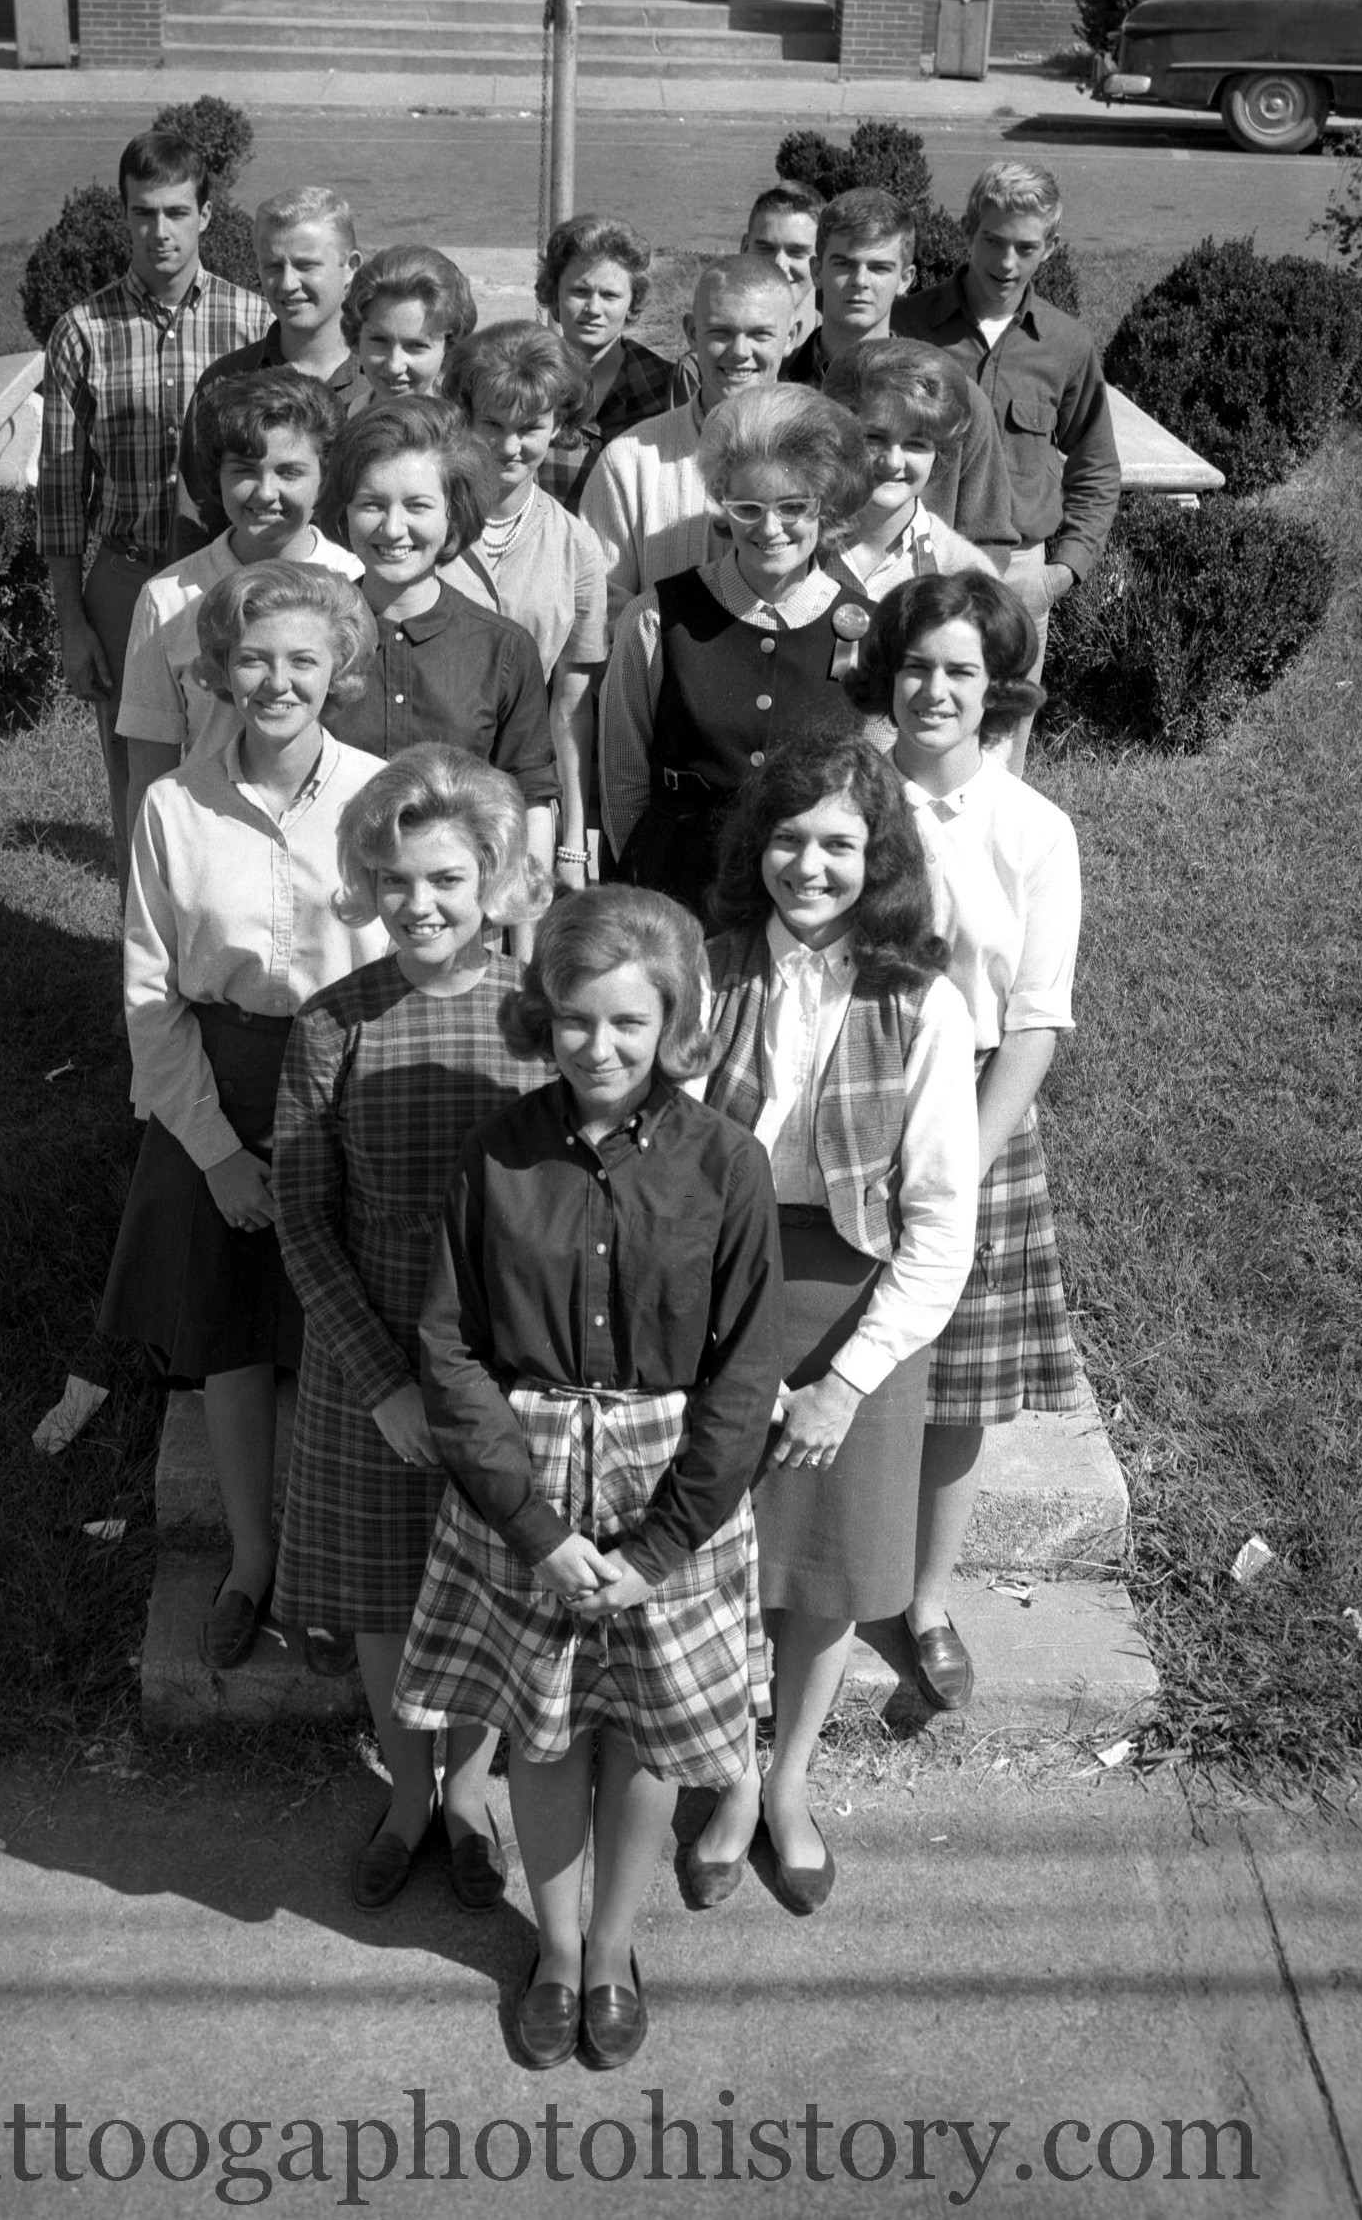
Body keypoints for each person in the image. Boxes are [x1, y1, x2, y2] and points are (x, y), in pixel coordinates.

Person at [396, 886, 784, 2069]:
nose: (600, 1048)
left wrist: (659, 1548)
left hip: (673, 1497)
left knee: (650, 1741)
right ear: (542, 1017)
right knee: (546, 1735)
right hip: (529, 1501)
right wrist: (533, 1525)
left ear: (673, 1023)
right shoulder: (496, 1154)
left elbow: (743, 1367)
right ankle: (556, 1950)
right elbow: (448, 1348)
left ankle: (614, 1946)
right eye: (575, 1021)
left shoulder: (727, 1166)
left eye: (628, 1023)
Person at [684, 732, 979, 1910]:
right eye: (787, 838)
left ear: (880, 857)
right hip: (708, 1296)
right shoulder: (700, 973)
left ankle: (788, 1778)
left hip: (853, 1305)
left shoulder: (921, 1001)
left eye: (840, 844)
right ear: (755, 844)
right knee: (710, 1562)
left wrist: (845, 1380)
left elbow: (940, 1225)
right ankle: (724, 1783)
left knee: (820, 1571)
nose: (809, 865)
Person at [272, 746, 551, 1906]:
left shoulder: (538, 1023)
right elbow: (298, 1215)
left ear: (491, 877)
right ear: (365, 886)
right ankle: (405, 1789)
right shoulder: (332, 1025)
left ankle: (475, 1790)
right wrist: (382, 1381)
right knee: (386, 1596)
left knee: (489, 1587)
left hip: (503, 1355)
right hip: (368, 1360)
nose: (419, 903)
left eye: (444, 878)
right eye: (394, 880)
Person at [105, 564, 389, 1670]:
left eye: (303, 660)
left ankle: (327, 1566)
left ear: (340, 672)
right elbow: (148, 991)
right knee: (230, 1340)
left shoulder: (383, 794)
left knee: (337, 1335)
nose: (278, 681)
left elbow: (421, 956)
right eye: (255, 658)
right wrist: (214, 1154)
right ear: (219, 669)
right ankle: (252, 1560)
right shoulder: (174, 806)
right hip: (218, 1086)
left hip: (350, 1093)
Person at [845, 573, 1084, 1716]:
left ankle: (924, 1599)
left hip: (981, 1123)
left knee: (954, 1394)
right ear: (884, 674)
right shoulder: (843, 800)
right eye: (916, 666)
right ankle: (829, 1579)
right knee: (840, 1357)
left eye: (960, 671)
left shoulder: (1032, 830)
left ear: (997, 692)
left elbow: (1035, 1020)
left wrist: (952, 1168)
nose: (933, 690)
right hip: (844, 1104)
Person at [37, 130, 274, 896]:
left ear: (206, 213)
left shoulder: (251, 323)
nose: (159, 233)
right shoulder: (82, 331)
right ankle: (146, 973)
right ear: (124, 216)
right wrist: (72, 621)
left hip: (230, 578)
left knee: (239, 764)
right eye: (143, 213)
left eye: (177, 211)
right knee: (137, 785)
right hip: (128, 578)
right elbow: (61, 490)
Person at [600, 383, 868, 913]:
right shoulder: (656, 618)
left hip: (809, 900)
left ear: (825, 506)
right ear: (722, 503)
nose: (770, 529)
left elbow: (879, 784)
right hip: (675, 890)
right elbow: (624, 776)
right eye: (748, 507)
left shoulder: (864, 628)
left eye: (793, 506)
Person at [890, 160, 1121, 771]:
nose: (1007, 263)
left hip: (1017, 574)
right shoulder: (907, 325)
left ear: (1051, 248)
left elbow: (1096, 467)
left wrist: (1061, 573)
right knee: (900, 737)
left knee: (997, 756)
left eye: (1026, 247)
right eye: (993, 241)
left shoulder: (1065, 345)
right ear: (968, 231)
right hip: (913, 561)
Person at [319, 393, 560, 884]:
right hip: (329, 906)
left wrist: (527, 943)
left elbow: (530, 798)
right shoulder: (313, 635)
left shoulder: (503, 648)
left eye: (417, 505)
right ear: (344, 513)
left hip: (459, 918)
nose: (393, 528)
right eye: (371, 504)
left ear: (454, 512)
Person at [118, 370, 364, 825]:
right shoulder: (167, 599)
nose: (266, 493)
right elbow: (148, 771)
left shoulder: (356, 583)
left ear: (324, 478)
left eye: (289, 472)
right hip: (210, 834)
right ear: (218, 475)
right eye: (245, 472)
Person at [440, 322, 609, 890]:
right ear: (464, 417)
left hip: (524, 805)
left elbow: (571, 707)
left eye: (530, 428)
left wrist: (574, 843)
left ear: (559, 425)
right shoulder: (420, 525)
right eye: (492, 424)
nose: (511, 448)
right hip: (426, 793)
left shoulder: (577, 546)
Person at [580, 253, 798, 627]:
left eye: (760, 334)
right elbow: (600, 607)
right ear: (691, 333)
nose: (740, 352)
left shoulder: (823, 454)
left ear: (791, 336)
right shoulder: (629, 462)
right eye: (720, 332)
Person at [177, 188, 365, 547]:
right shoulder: (225, 382)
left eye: (306, 265)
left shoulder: (388, 380)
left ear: (350, 268)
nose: (287, 283)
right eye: (273, 266)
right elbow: (196, 525)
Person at [534, 215, 692, 513]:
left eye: (609, 295)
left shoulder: (664, 384)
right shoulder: (530, 381)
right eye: (580, 291)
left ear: (632, 303)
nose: (593, 309)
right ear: (554, 296)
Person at [821, 343, 1002, 601]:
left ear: (939, 453)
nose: (893, 461)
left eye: (915, 444)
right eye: (874, 438)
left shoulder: (962, 571)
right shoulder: (791, 543)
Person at [780, 186, 916, 391]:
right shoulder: (773, 383)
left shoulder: (939, 390)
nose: (860, 280)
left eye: (879, 268)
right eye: (844, 265)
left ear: (904, 279)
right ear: (817, 272)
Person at [345, 244, 477, 409]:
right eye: (379, 341)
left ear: (450, 345)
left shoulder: (472, 431)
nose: (394, 366)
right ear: (357, 337)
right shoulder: (333, 428)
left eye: (416, 346)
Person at [743, 182, 824, 352]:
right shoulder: (707, 366)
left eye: (796, 252)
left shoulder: (840, 366)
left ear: (821, 262)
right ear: (744, 249)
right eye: (765, 249)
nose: (779, 264)